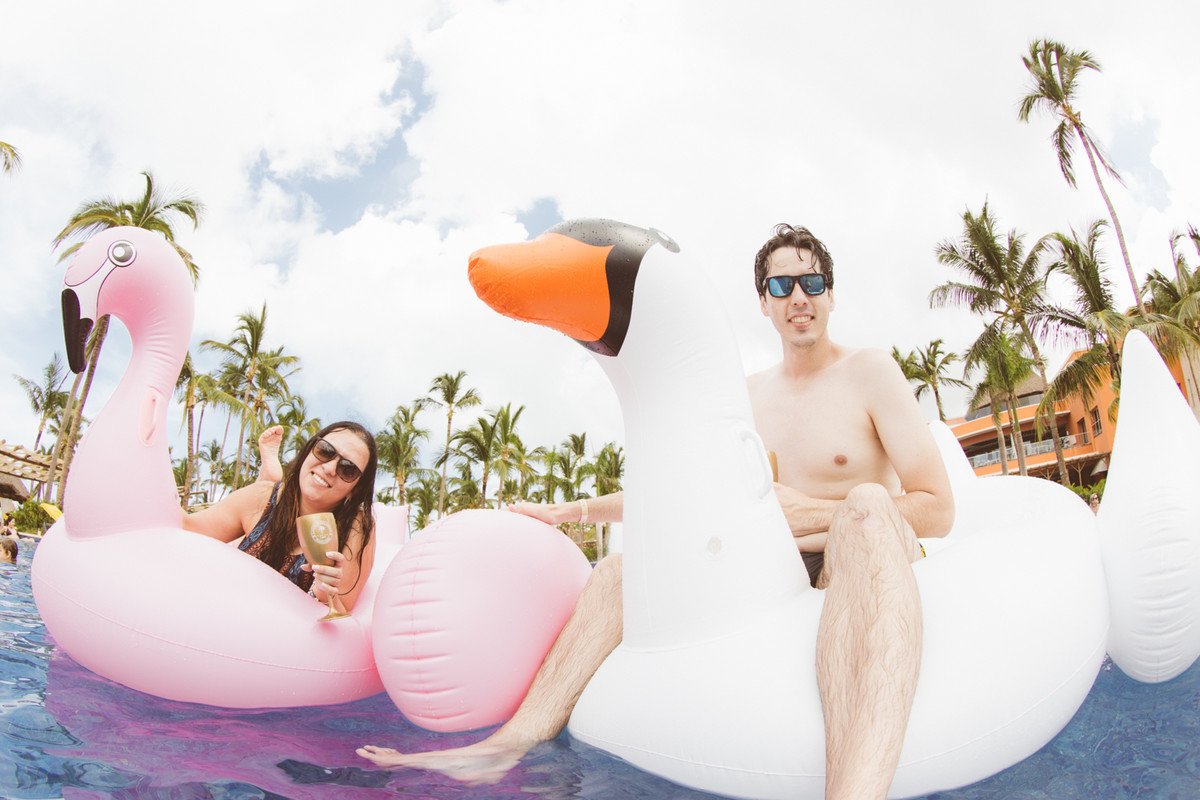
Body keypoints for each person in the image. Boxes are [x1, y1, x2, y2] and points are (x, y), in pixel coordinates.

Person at [359, 224, 955, 799]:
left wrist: (821, 513)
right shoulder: (746, 397)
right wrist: (568, 512)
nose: (799, 297)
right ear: (764, 303)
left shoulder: (869, 373)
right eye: (781, 286)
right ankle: (508, 744)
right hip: (776, 569)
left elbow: (936, 508)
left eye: (812, 282)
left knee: (867, 505)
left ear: (830, 294)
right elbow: (685, 494)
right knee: (620, 573)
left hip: (858, 553)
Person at [183, 421, 379, 613]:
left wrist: (325, 595)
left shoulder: (356, 528)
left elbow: (342, 618)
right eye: (325, 451)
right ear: (309, 450)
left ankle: (269, 473)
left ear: (356, 488)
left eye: (347, 469)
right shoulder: (261, 498)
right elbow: (186, 529)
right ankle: (268, 474)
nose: (329, 468)